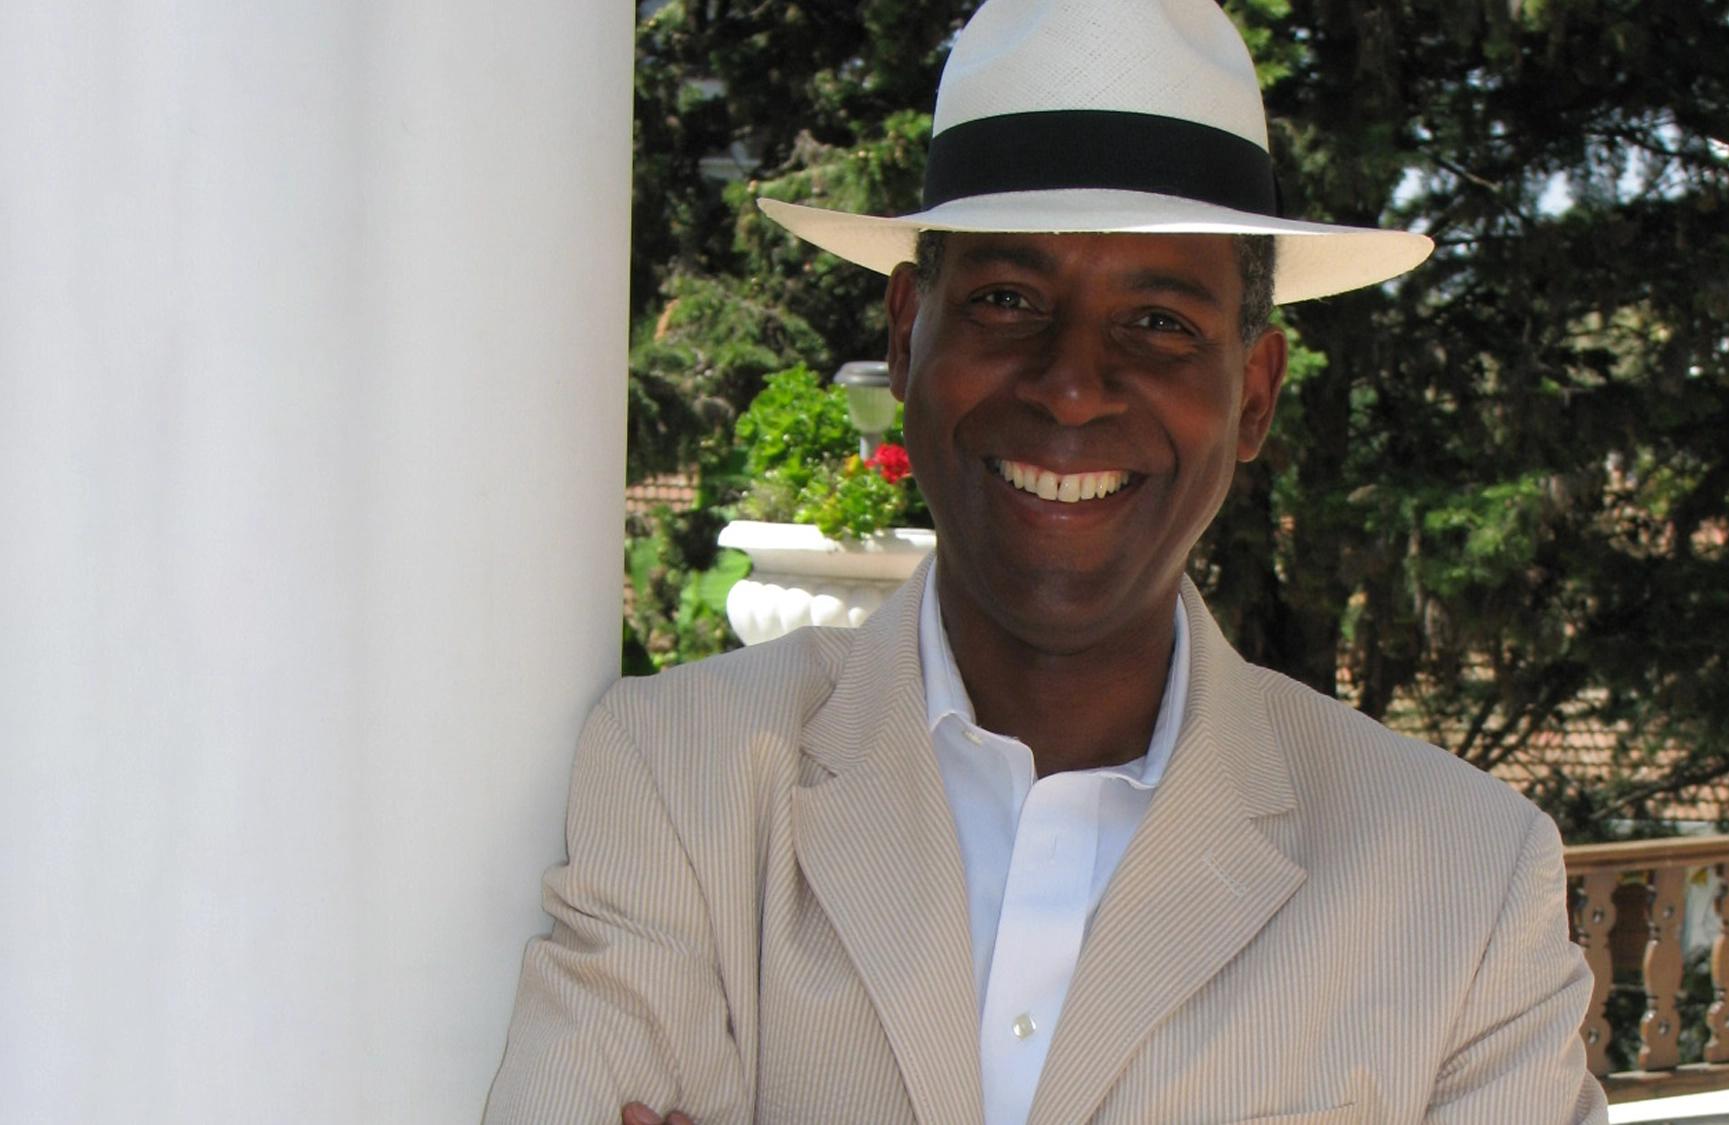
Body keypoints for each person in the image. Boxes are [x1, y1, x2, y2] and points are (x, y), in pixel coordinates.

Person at [484, 1, 1608, 1122]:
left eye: (1158, 322)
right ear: (905, 334)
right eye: (1006, 301)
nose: (1070, 384)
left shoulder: (1460, 882)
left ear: (1253, 393)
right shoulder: (683, 776)